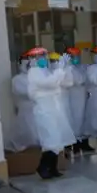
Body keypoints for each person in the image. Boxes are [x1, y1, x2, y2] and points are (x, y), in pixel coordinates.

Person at [26, 48, 77, 179]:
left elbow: (64, 82)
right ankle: (42, 167)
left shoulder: (47, 71)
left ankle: (53, 168)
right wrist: (59, 70)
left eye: (44, 55)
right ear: (33, 59)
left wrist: (66, 68)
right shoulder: (34, 72)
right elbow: (49, 83)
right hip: (44, 110)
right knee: (51, 140)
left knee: (57, 140)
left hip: (54, 109)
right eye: (40, 56)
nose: (44, 58)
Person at [63, 47, 92, 153]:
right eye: (73, 56)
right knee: (75, 120)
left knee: (84, 119)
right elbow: (78, 80)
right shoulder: (67, 69)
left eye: (77, 56)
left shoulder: (82, 67)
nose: (76, 58)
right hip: (72, 98)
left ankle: (84, 143)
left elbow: (87, 79)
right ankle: (75, 144)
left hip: (83, 96)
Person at [8, 54, 38, 152]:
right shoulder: (18, 79)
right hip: (26, 111)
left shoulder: (36, 77)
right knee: (28, 134)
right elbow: (29, 93)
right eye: (26, 62)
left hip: (39, 111)